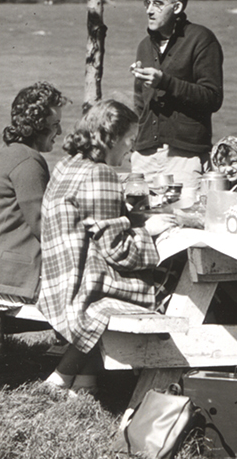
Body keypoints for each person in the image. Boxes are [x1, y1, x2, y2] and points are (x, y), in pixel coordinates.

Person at [36, 99, 171, 397]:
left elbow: (96, 224)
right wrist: (147, 231)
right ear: (110, 137)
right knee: (166, 286)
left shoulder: (67, 165)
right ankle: (61, 379)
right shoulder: (101, 175)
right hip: (82, 286)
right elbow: (119, 251)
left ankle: (81, 383)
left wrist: (130, 219)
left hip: (57, 276)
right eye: (130, 140)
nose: (131, 149)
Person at [0, 82, 68, 307]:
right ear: (37, 126)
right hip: (13, 278)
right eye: (56, 125)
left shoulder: (11, 153)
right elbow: (45, 227)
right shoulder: (28, 162)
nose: (61, 132)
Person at [129, 0, 224, 189]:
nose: (149, 10)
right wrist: (135, 145)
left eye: (158, 4)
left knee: (182, 220)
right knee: (142, 220)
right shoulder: (144, 45)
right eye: (147, 3)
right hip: (144, 156)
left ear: (177, 7)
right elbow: (140, 102)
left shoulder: (201, 39)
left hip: (183, 156)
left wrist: (165, 82)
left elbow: (212, 97)